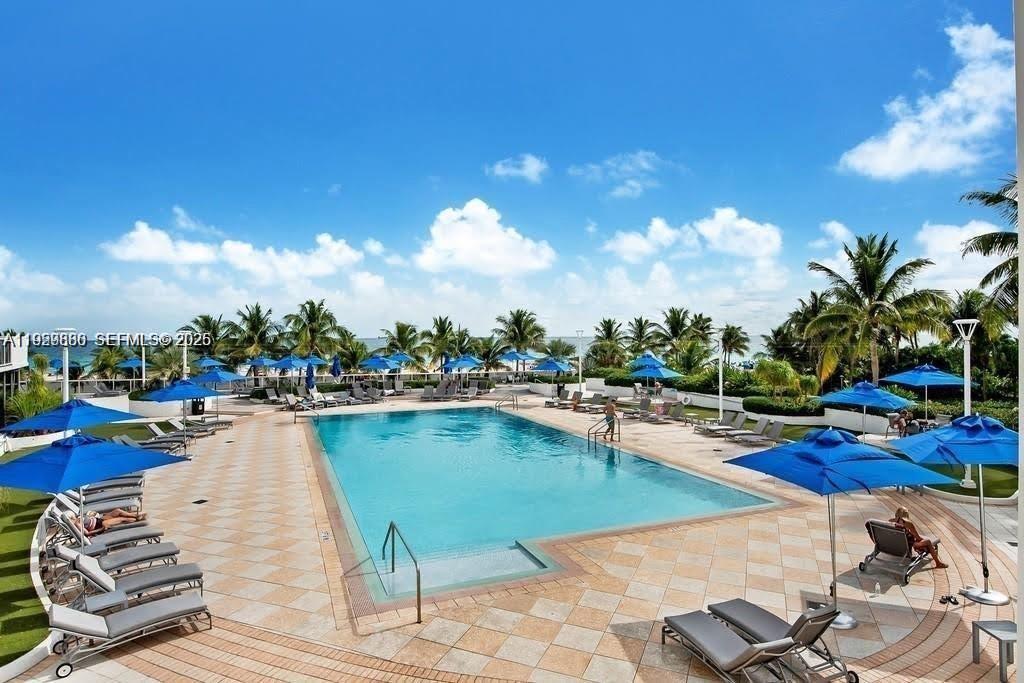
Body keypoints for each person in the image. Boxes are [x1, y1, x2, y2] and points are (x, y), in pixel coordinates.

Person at [72, 508, 147, 536]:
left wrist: (91, 515)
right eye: (72, 517)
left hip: (99, 519)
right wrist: (102, 529)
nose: (73, 517)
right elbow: (87, 533)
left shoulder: (79, 518)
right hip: (100, 525)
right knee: (121, 518)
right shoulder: (77, 524)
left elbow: (91, 517)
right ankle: (138, 519)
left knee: (117, 511)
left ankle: (134, 515)